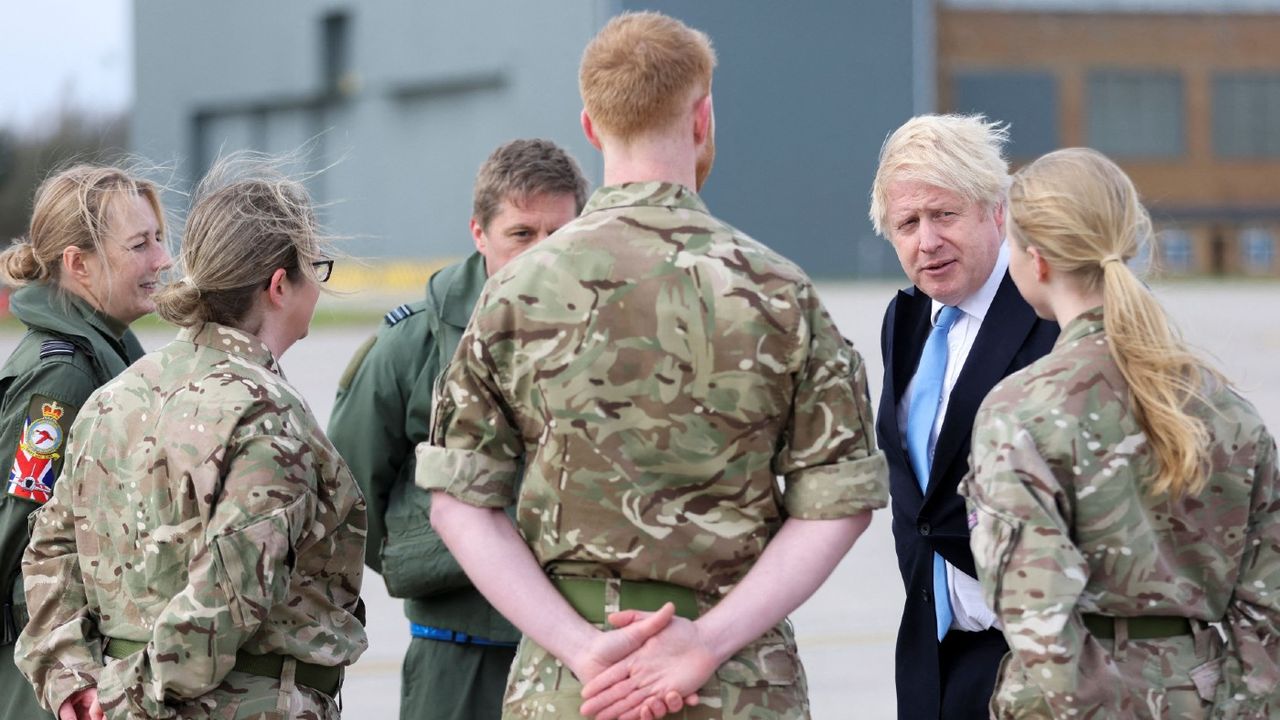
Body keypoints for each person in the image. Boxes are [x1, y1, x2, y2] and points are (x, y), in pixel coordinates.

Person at [418, 11, 887, 720]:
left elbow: (459, 502)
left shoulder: (515, 291)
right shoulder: (777, 290)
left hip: (575, 687)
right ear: (702, 118)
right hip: (736, 679)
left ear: (589, 126)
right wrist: (705, 641)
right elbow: (840, 500)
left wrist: (577, 648)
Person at [16, 155, 367, 719]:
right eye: (316, 270)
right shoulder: (265, 414)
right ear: (279, 285)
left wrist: (76, 685)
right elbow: (227, 599)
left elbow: (51, 551)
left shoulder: (118, 395)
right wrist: (123, 697)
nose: (319, 291)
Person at [962, 147, 1280, 718]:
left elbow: (1036, 612)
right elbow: (1269, 606)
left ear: (1036, 261)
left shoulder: (1022, 410)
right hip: (1201, 694)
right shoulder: (1224, 407)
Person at [328, 138, 588, 720]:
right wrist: (433, 556)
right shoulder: (413, 345)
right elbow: (347, 491)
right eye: (522, 234)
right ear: (479, 233)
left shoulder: (615, 337)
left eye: (559, 234)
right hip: (461, 650)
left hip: (586, 653)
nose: (543, 253)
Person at [868, 114, 1058, 719]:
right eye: (908, 223)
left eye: (944, 215)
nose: (927, 241)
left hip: (1036, 661)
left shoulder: (1051, 318)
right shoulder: (905, 321)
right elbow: (915, 493)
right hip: (935, 657)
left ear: (995, 212)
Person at [0, 164, 171, 720]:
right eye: (140, 245)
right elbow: (16, 542)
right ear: (78, 264)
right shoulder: (63, 380)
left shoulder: (109, 357)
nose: (161, 260)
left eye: (159, 239)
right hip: (50, 680)